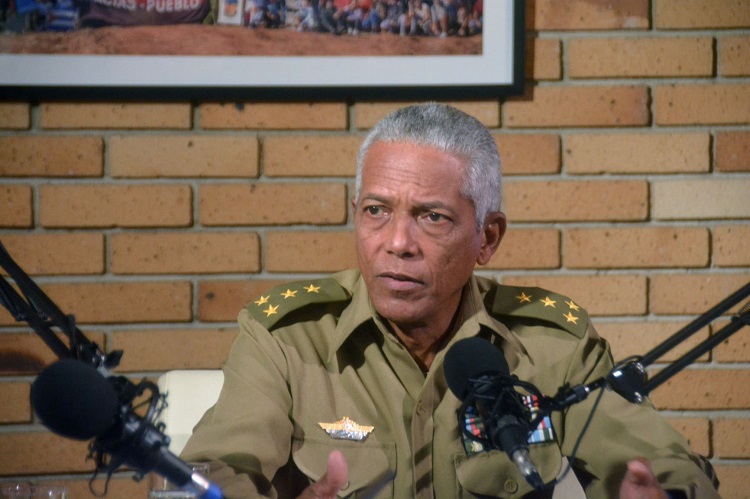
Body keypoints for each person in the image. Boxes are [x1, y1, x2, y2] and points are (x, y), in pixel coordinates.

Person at [181, 103, 720, 498]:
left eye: (432, 217)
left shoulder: (552, 346)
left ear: (488, 237)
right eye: (376, 211)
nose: (397, 242)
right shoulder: (287, 339)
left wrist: (665, 494)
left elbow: (663, 466)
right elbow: (213, 470)